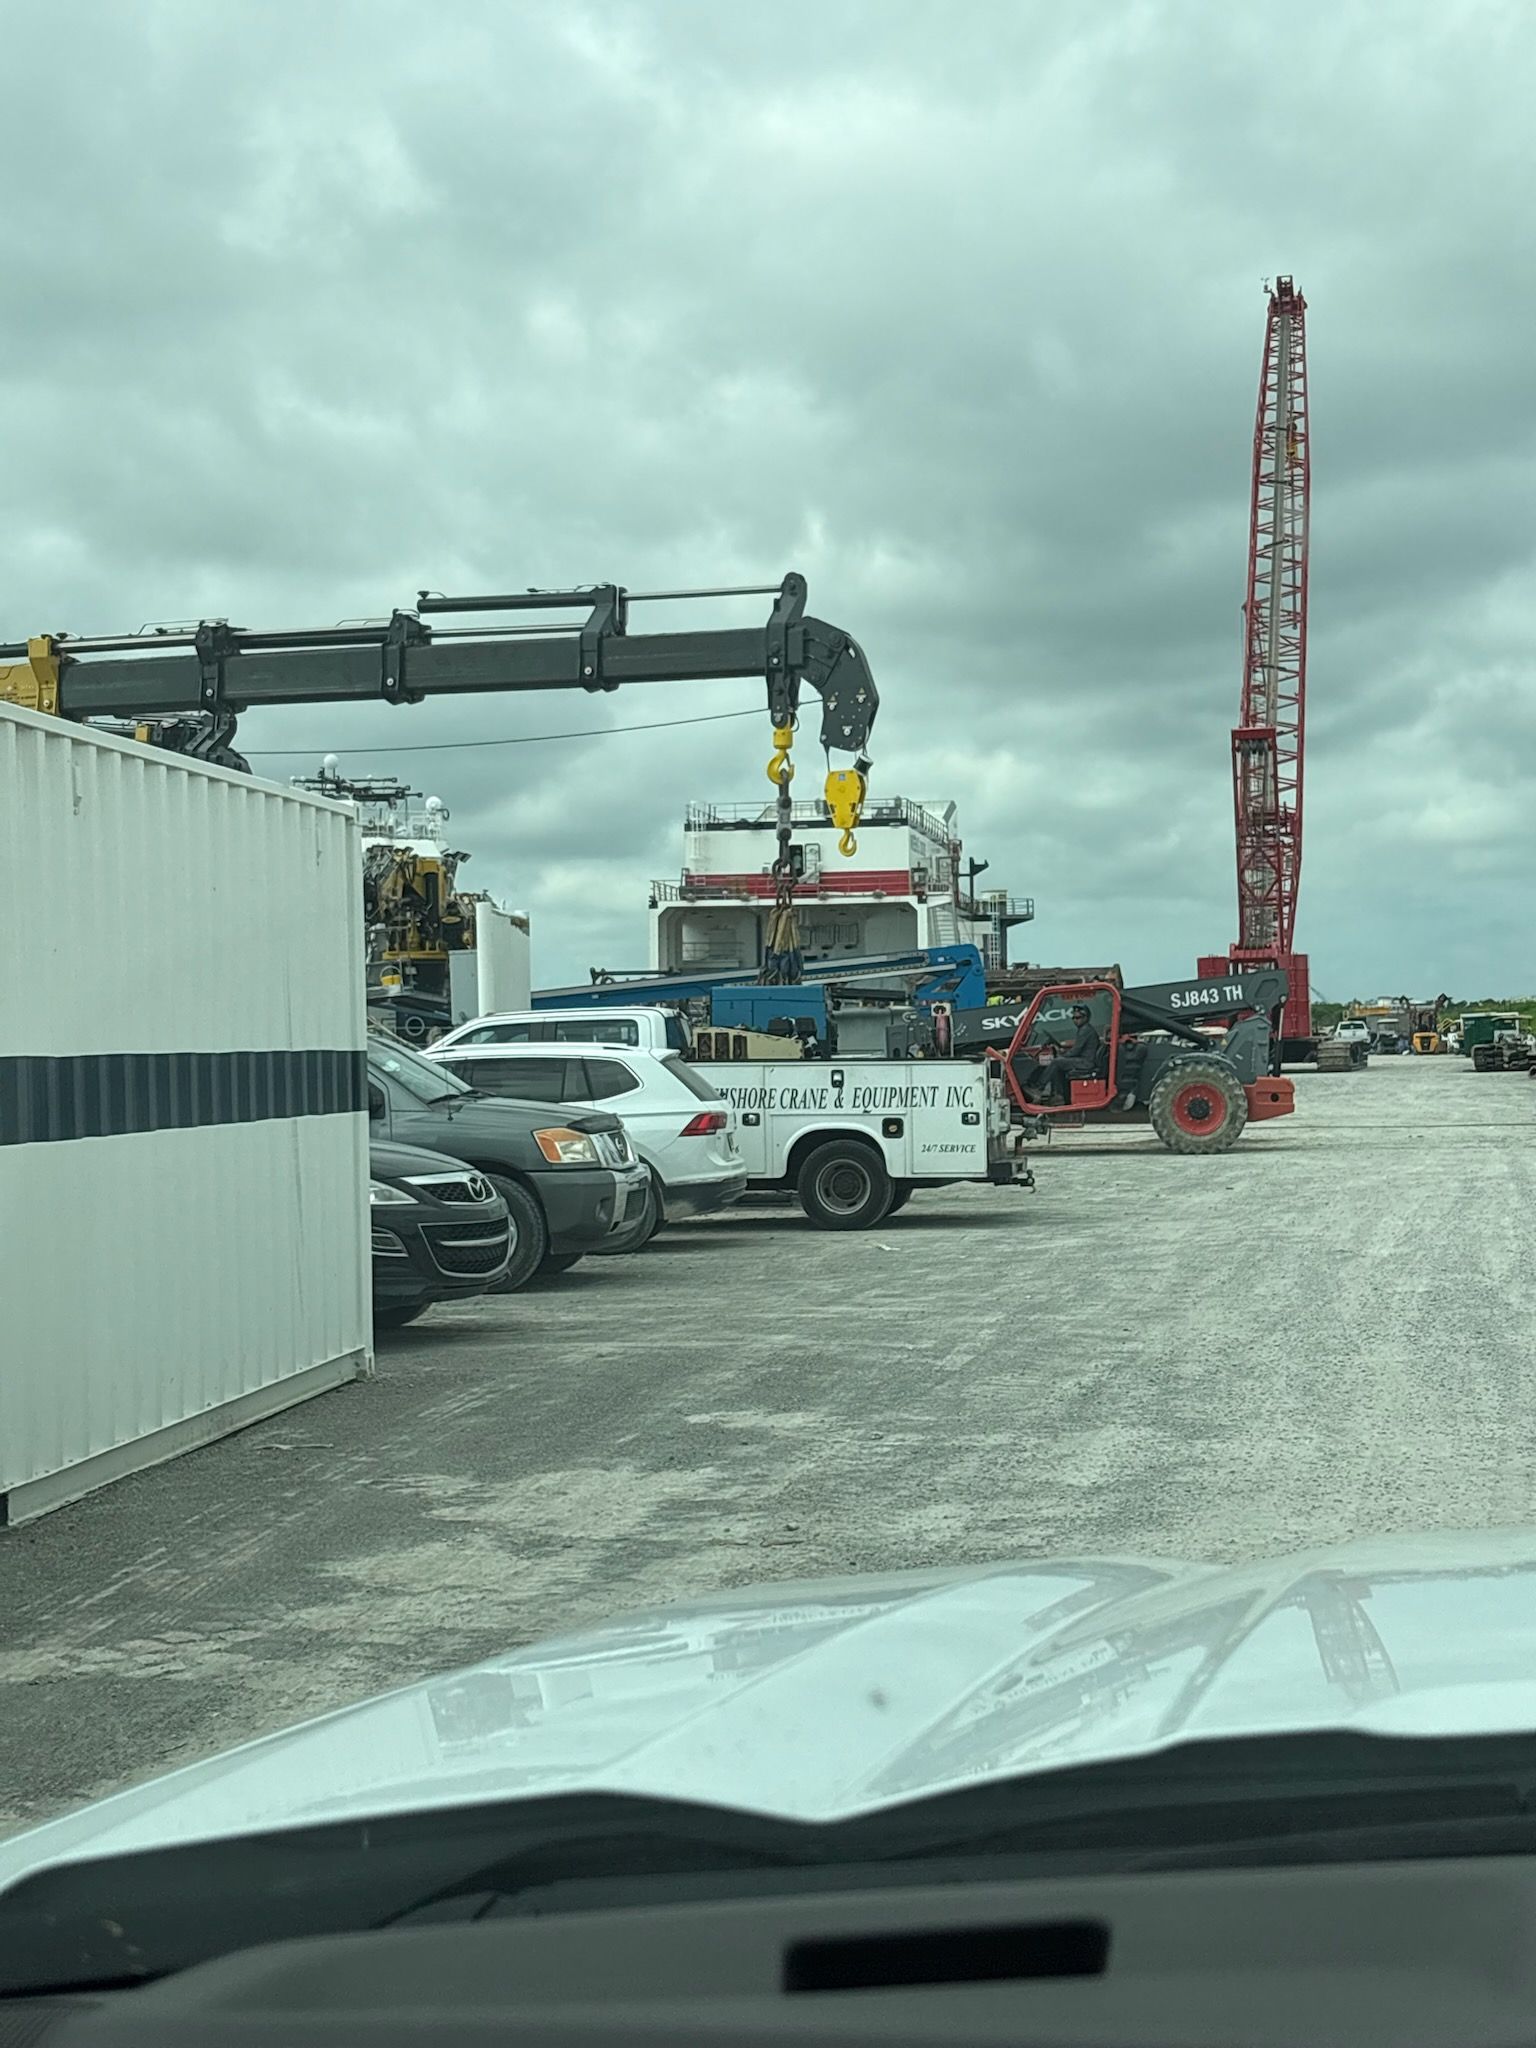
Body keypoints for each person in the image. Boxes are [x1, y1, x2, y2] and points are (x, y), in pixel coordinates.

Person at [1032, 1004, 1102, 1105]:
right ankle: (1058, 1096)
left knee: (1056, 1062)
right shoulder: (1084, 1029)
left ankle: (1039, 1087)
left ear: (1086, 1018)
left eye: (1078, 1018)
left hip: (1086, 1062)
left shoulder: (1085, 1030)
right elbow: (1076, 1049)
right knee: (1058, 1065)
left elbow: (1076, 1051)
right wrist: (1064, 1053)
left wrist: (1063, 1056)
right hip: (1084, 1060)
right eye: (1073, 1018)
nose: (1075, 1020)